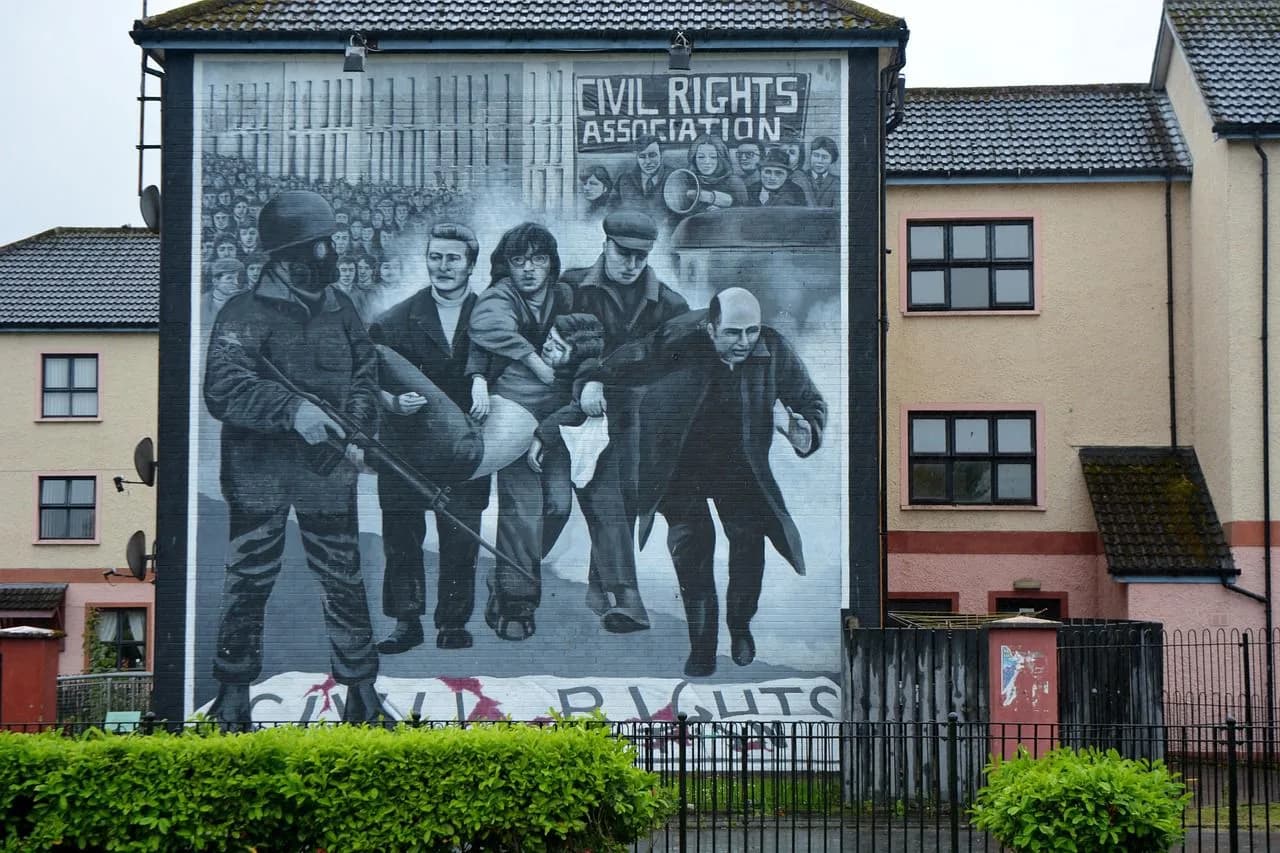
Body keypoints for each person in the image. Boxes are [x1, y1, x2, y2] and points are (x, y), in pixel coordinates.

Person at [202, 190, 385, 724]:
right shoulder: (243, 312)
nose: (333, 253)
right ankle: (232, 692)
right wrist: (293, 410)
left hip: (327, 473)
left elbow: (364, 373)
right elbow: (223, 386)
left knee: (344, 578)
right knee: (248, 579)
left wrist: (358, 431)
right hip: (259, 476)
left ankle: (361, 692)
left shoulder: (340, 307)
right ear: (290, 254)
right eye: (323, 244)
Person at [588, 288, 826, 677]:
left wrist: (807, 431)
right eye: (733, 333)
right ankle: (703, 648)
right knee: (692, 549)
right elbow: (630, 358)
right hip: (680, 465)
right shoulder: (679, 337)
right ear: (711, 328)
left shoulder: (772, 348)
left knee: (749, 545)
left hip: (739, 466)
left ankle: (741, 625)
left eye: (751, 331)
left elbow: (809, 400)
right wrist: (593, 381)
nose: (744, 342)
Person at [562, 210, 689, 632]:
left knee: (627, 494)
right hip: (577, 413)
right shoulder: (571, 289)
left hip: (637, 422)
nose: (632, 264)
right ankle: (626, 597)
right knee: (606, 494)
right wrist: (586, 381)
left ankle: (600, 586)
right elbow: (553, 346)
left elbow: (679, 369)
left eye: (641, 256)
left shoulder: (670, 304)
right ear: (605, 245)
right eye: (624, 253)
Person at [369, 223, 491, 654]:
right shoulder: (393, 321)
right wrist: (390, 402)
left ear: (471, 264)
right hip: (405, 447)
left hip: (466, 449)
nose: (443, 266)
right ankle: (406, 622)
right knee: (402, 537)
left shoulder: (493, 318)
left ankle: (453, 623)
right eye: (435, 257)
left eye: (453, 258)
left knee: (461, 536)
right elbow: (363, 381)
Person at [466, 223, 574, 641]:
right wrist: (530, 360)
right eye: (519, 260)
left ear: (551, 263)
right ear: (506, 264)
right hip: (514, 412)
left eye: (538, 259)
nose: (529, 269)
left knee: (558, 507)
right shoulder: (501, 296)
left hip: (558, 417)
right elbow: (486, 328)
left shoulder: (565, 296)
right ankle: (517, 604)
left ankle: (509, 572)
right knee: (522, 510)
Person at [680, 133, 748, 215]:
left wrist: (723, 213)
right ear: (694, 158)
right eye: (701, 157)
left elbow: (744, 214)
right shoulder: (687, 180)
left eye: (713, 157)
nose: (707, 162)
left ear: (721, 159)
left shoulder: (734, 182)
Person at [613, 134, 672, 224]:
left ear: (661, 154)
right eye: (642, 156)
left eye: (652, 155)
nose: (647, 162)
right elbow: (610, 210)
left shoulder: (675, 177)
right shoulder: (624, 181)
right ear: (636, 157)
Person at [790, 136, 840, 209]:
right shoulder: (799, 177)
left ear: (832, 160)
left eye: (825, 157)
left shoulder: (837, 182)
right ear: (810, 156)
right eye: (816, 155)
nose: (819, 161)